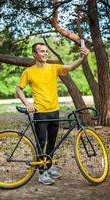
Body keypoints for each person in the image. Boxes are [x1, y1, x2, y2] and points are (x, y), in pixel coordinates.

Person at [16, 42, 89, 185]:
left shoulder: (54, 68)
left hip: (54, 111)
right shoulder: (28, 72)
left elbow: (70, 67)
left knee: (52, 142)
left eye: (46, 51)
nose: (45, 54)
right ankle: (41, 173)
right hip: (40, 113)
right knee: (41, 142)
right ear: (34, 54)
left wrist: (83, 58)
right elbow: (18, 89)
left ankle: (48, 166)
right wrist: (28, 104)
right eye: (42, 51)